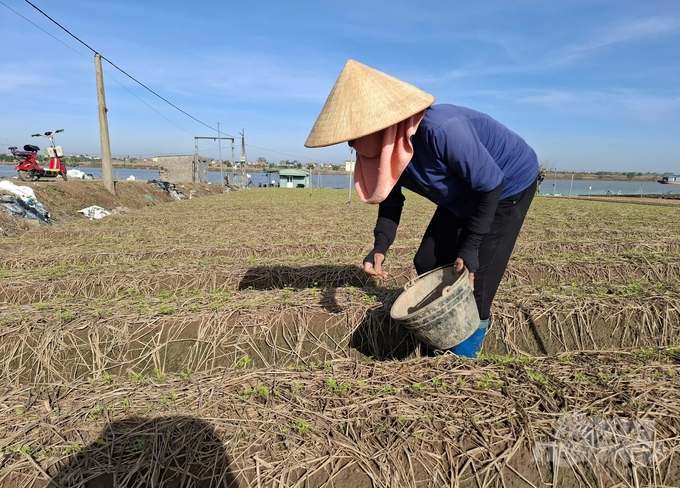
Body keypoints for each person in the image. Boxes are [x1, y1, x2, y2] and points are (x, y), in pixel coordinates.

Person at [305, 60, 540, 358]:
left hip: (506, 187)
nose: (351, 144)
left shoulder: (442, 130)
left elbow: (490, 185)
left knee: (476, 280)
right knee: (427, 260)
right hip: (463, 193)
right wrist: (380, 247)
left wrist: (469, 248)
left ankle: (464, 357)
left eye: (354, 135)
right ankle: (440, 334)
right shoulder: (385, 150)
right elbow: (391, 200)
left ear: (381, 124)